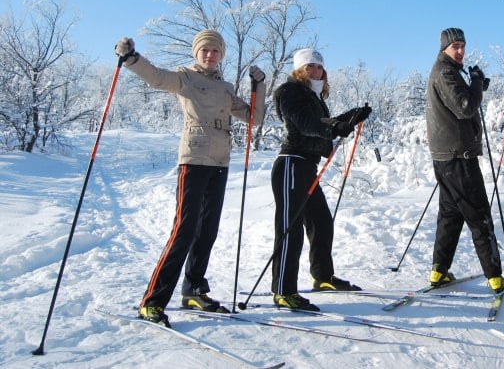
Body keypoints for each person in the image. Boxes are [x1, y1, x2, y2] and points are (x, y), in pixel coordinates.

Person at [114, 29, 266, 327]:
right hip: (194, 161)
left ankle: (194, 290)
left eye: (216, 51)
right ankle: (153, 301)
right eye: (205, 50)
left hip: (220, 163)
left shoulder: (224, 87)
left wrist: (258, 86)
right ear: (197, 53)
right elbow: (157, 77)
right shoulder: (185, 77)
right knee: (184, 230)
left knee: (207, 230)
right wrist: (131, 58)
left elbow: (254, 118)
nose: (210, 55)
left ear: (222, 55)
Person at [270, 48, 371, 311]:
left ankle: (323, 277)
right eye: (309, 66)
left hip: (307, 167)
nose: (315, 70)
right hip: (291, 164)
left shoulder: (313, 96)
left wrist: (350, 116)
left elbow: (319, 121)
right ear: (299, 70)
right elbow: (305, 123)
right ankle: (283, 290)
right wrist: (334, 127)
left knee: (321, 222)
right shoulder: (289, 91)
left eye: (319, 66)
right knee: (290, 230)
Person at [425, 27, 504, 294]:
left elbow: (462, 101)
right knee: (479, 215)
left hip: (447, 155)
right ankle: (495, 277)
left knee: (450, 215)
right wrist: (474, 84)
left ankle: (438, 271)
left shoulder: (448, 71)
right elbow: (465, 108)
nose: (460, 51)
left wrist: (475, 86)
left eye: (462, 45)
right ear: (444, 48)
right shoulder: (446, 71)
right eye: (455, 47)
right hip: (458, 156)